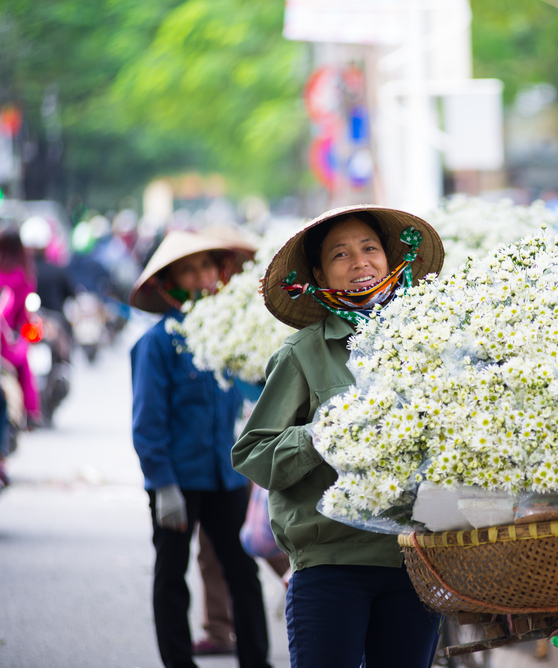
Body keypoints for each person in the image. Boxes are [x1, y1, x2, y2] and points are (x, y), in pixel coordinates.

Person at [232, 205, 445, 668]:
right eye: (341, 254)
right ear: (318, 273)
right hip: (332, 563)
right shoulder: (303, 353)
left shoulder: (429, 338)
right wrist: (319, 433)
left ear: (391, 260)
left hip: (415, 561)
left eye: (370, 249)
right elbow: (253, 454)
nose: (360, 263)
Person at [129, 229, 272, 668]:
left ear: (221, 272)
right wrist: (163, 485)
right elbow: (147, 423)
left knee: (242, 572)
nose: (200, 277)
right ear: (169, 281)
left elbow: (258, 392)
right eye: (188, 270)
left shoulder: (231, 336)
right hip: (177, 480)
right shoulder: (157, 343)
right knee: (172, 575)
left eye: (207, 266)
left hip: (227, 477)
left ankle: (256, 660)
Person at [0, 225, 41, 426]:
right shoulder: (23, 276)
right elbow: (25, 316)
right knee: (24, 360)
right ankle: (32, 412)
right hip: (6, 341)